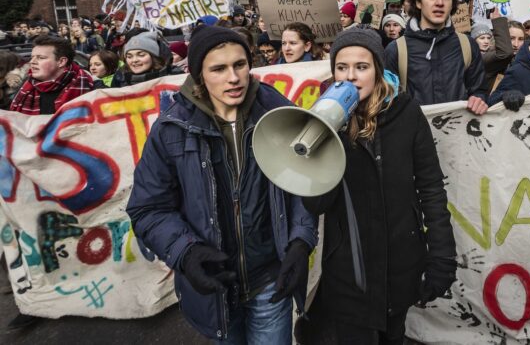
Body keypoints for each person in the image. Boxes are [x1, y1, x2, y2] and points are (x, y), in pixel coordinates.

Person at [127, 25, 317, 343]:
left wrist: (300, 241)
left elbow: (303, 182)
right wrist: (186, 253)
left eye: (240, 64)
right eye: (219, 68)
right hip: (215, 289)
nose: (233, 78)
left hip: (271, 280)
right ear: (199, 73)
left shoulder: (279, 112)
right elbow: (148, 207)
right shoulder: (172, 128)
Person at [301, 28, 456, 344]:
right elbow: (315, 204)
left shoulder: (406, 112)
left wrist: (441, 256)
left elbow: (430, 187)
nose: (351, 76)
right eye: (342, 68)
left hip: (400, 260)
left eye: (362, 67)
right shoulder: (322, 124)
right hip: (348, 268)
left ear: (378, 70)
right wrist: (330, 137)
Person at [384, 0, 488, 114]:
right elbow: (387, 104)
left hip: (459, 135)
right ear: (418, 2)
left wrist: (479, 99)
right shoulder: (396, 50)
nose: (439, 2)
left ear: (452, 3)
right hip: (415, 136)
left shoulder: (467, 45)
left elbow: (480, 90)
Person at [10, 36, 93, 115]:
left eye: (41, 58)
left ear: (61, 62)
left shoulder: (91, 85)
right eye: (32, 57)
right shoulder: (25, 87)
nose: (32, 61)